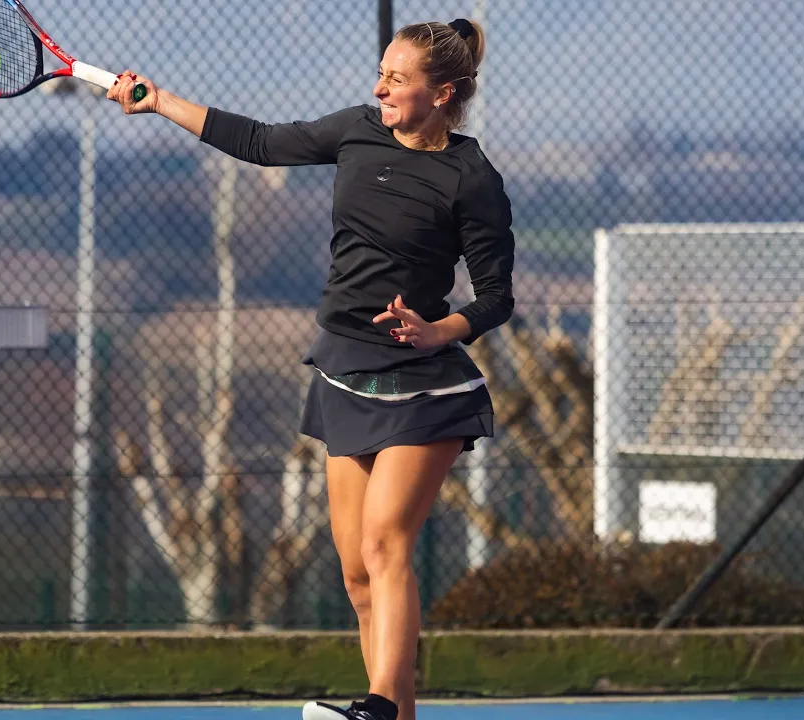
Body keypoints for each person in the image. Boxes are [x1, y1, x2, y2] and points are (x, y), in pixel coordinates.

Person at [107, 18, 513, 720]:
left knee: (387, 545)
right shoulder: (357, 130)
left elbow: (496, 295)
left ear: (442, 93)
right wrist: (160, 100)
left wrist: (436, 329)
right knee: (358, 575)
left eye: (398, 78)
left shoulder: (470, 178)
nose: (379, 85)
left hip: (423, 384)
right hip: (343, 372)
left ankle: (380, 707)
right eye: (382, 71)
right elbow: (263, 144)